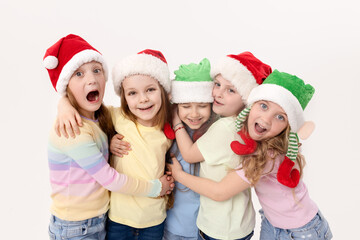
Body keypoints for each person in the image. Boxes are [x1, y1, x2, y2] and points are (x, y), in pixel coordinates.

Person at [169, 70, 333, 240]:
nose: (266, 119)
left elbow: (220, 192)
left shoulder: (267, 156)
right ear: (251, 105)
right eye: (263, 106)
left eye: (280, 117)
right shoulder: (255, 138)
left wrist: (178, 174)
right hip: (273, 222)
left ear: (287, 127)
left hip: (300, 231)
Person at [44, 34, 174, 240]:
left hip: (99, 219)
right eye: (78, 74)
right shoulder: (72, 130)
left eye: (97, 70)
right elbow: (109, 179)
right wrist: (156, 187)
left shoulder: (101, 118)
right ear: (65, 84)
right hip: (75, 226)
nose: (91, 79)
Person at [171, 52, 272, 240]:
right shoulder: (244, 124)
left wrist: (176, 121)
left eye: (230, 90)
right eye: (217, 84)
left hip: (219, 228)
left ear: (246, 99)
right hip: (240, 223)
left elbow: (190, 155)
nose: (218, 93)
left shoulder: (225, 128)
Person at [162, 58, 218, 240]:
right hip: (173, 226)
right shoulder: (167, 133)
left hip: (207, 229)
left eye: (202, 106)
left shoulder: (216, 132)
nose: (194, 114)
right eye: (186, 106)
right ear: (176, 106)